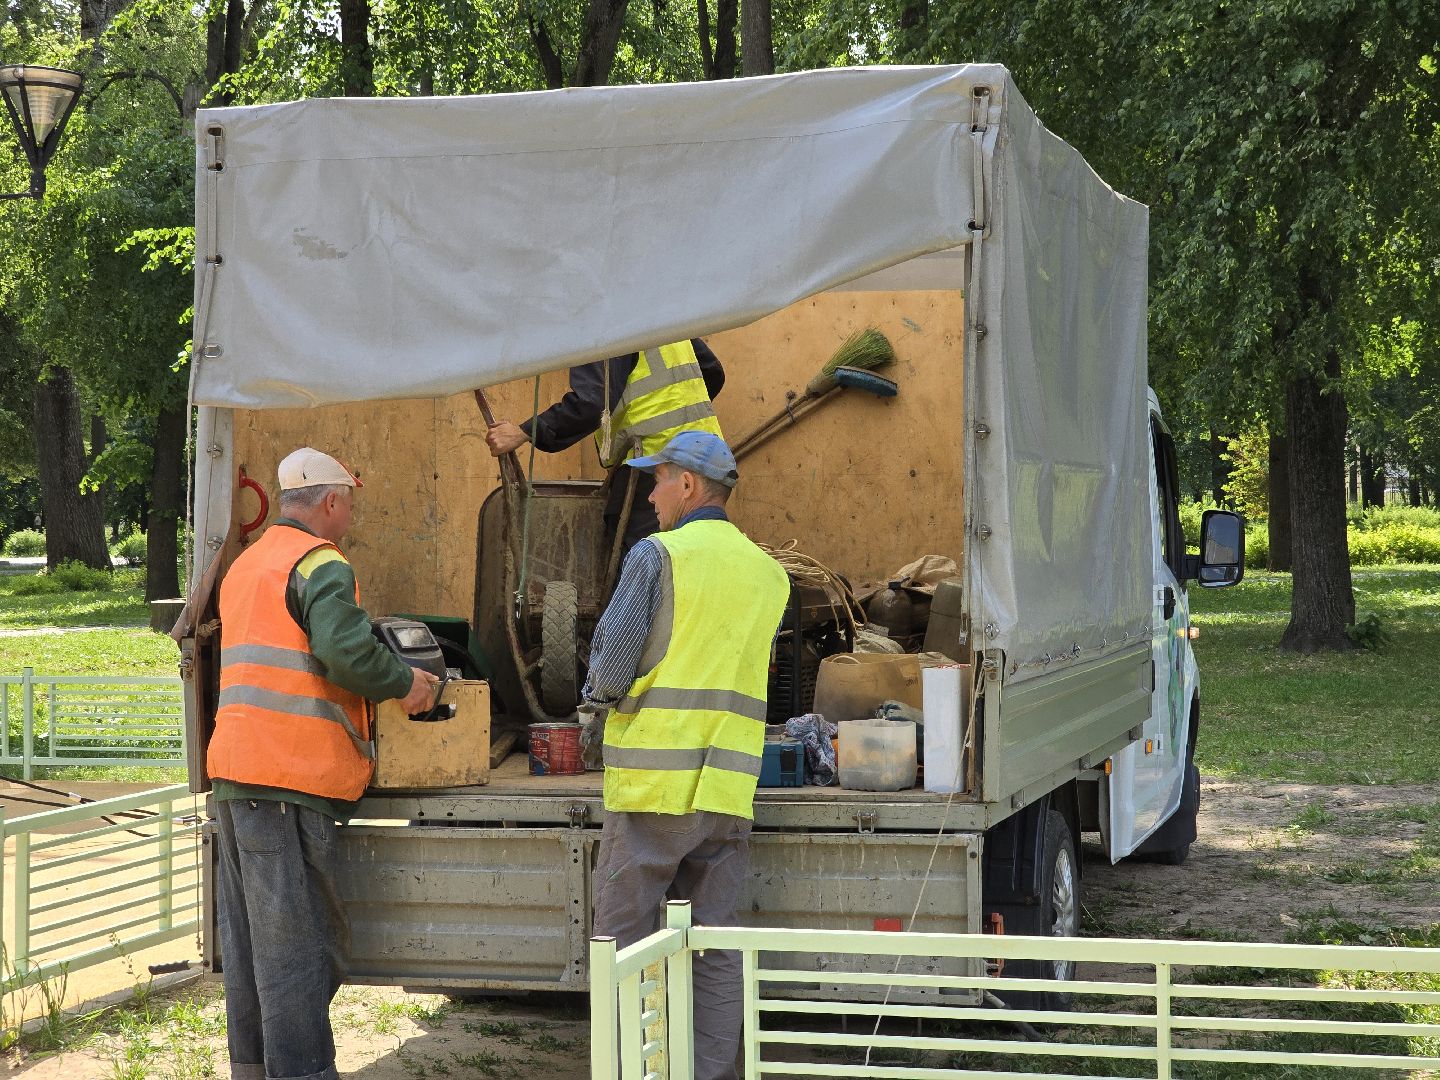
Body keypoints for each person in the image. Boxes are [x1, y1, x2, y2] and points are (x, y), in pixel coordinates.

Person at [207, 447, 439, 1080]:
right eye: (350, 503)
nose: (351, 515)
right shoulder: (320, 563)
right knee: (299, 946)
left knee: (252, 944)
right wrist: (406, 684)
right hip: (288, 779)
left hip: (236, 774)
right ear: (331, 501)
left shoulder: (247, 564)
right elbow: (344, 651)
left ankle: (253, 1068)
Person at [584, 431, 790, 1080]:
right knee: (714, 941)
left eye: (659, 479)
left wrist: (595, 701)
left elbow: (611, 668)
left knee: (621, 941)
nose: (651, 495)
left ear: (690, 485)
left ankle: (626, 1070)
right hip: (727, 791)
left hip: (653, 788)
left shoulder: (657, 556)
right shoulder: (770, 575)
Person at [484, 340, 726, 556]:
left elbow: (591, 403)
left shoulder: (606, 323)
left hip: (655, 462)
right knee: (699, 557)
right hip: (712, 461)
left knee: (643, 564)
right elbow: (712, 371)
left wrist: (525, 432)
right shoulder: (662, 314)